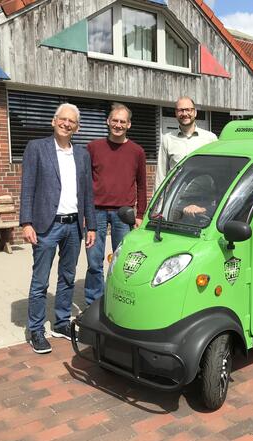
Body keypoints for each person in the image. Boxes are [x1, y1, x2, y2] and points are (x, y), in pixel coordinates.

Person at [20, 103, 96, 354]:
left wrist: (92, 226)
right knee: (40, 280)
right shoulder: (37, 148)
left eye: (71, 121)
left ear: (77, 126)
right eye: (62, 119)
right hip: (46, 225)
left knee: (67, 278)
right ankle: (36, 330)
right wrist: (26, 222)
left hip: (73, 226)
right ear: (54, 121)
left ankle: (62, 323)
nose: (66, 124)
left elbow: (87, 194)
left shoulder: (82, 154)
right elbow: (28, 187)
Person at [84, 103, 147, 307]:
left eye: (122, 121)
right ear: (108, 121)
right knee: (94, 262)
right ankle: (95, 304)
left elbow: (142, 185)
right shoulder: (93, 148)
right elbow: (84, 183)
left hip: (124, 214)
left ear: (129, 124)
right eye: (115, 120)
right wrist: (85, 212)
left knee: (122, 262)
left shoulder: (137, 151)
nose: (118, 125)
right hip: (96, 213)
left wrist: (140, 214)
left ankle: (119, 302)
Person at [155, 96, 217, 188]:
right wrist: (159, 201)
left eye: (188, 110)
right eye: (180, 110)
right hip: (176, 199)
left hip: (205, 198)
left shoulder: (210, 138)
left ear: (195, 112)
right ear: (176, 113)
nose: (184, 113)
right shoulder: (167, 139)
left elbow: (218, 170)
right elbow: (161, 176)